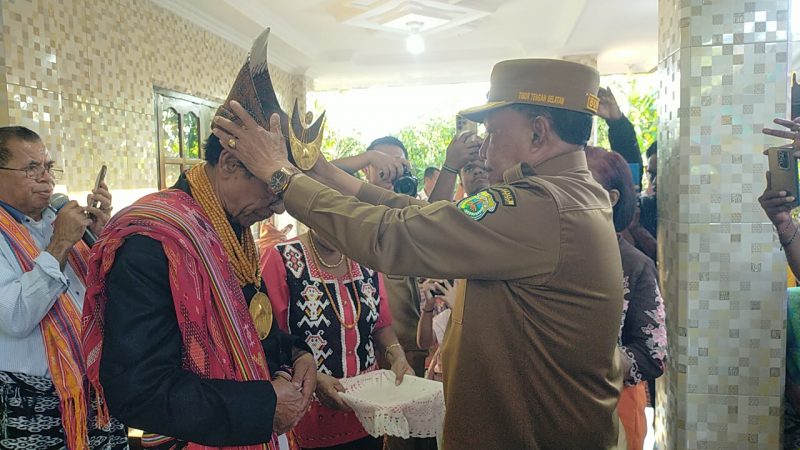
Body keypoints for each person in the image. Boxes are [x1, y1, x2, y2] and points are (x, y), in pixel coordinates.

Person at [213, 58, 626, 449]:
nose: (484, 149)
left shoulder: (542, 207)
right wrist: (325, 173)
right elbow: (419, 214)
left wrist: (281, 176)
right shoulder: (568, 196)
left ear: (538, 133)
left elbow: (393, 234)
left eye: (494, 133)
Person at [80, 29, 317, 450]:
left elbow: (250, 323)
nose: (279, 208)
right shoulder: (153, 241)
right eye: (273, 187)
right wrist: (262, 406)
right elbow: (137, 389)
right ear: (229, 163)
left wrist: (297, 354)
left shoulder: (230, 223)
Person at [0, 126, 128, 450]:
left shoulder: (60, 220)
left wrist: (101, 236)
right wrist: (59, 244)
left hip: (95, 390)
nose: (46, 178)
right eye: (32, 169)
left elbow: (112, 295)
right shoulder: (56, 232)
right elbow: (16, 316)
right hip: (27, 401)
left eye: (48, 167)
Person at [261, 230, 412, 450]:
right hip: (310, 416)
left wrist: (396, 355)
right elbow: (271, 340)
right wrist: (315, 379)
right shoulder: (281, 258)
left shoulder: (366, 257)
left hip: (368, 410)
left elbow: (380, 324)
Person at [585, 146, 667, 449]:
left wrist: (594, 361)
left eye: (582, 186)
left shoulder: (634, 265)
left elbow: (653, 354)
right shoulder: (549, 254)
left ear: (611, 198)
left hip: (615, 407)